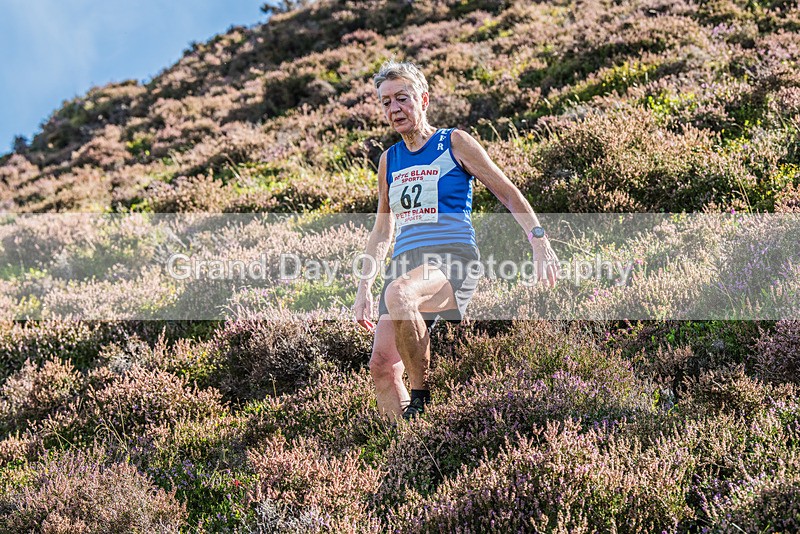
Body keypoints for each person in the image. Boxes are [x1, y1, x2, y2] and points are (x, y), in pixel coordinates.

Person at [354, 60, 559, 420]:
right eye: (386, 102)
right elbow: (382, 229)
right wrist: (364, 285)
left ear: (423, 99)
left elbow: (507, 192)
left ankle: (420, 399)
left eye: (402, 98)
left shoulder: (454, 142)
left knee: (400, 292)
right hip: (406, 263)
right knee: (382, 366)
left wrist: (539, 240)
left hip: (452, 258)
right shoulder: (389, 159)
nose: (394, 109)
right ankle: (411, 445)